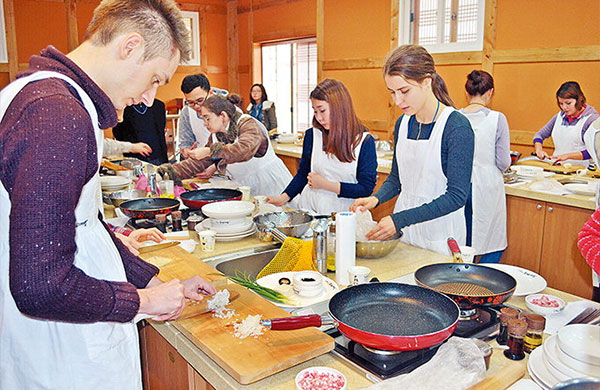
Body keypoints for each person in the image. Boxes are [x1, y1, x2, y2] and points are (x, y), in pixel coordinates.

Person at [0, 1, 216, 389]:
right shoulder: (57, 114)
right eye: (154, 78)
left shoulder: (49, 97)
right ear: (129, 47)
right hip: (64, 358)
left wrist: (148, 281)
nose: (149, 98)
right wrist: (144, 303)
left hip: (66, 345)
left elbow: (85, 224)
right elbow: (40, 287)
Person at [350, 45, 474, 255]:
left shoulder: (456, 127)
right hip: (406, 232)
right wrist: (376, 199)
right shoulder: (403, 124)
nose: (398, 101)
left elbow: (456, 196)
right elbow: (397, 179)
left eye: (404, 91)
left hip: (441, 235)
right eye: (392, 93)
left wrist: (399, 220)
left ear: (427, 82)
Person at [266, 79, 377, 214]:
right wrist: (283, 198)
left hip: (344, 213)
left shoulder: (363, 141)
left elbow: (365, 188)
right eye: (314, 111)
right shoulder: (313, 135)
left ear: (339, 108)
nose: (318, 117)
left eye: (322, 110)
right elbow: (303, 173)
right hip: (310, 207)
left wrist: (327, 185)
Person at [158, 95, 292, 196]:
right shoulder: (215, 136)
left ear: (222, 115)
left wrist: (210, 151)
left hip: (271, 183)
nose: (205, 123)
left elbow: (243, 150)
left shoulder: (247, 123)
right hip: (246, 187)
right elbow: (197, 163)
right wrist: (166, 172)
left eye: (207, 118)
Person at [459, 70, 511, 263]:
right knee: (493, 241)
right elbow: (504, 161)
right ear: (490, 92)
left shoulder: (454, 117)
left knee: (462, 239)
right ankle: (481, 284)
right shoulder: (498, 119)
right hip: (487, 185)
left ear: (467, 93)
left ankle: (459, 283)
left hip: (459, 186)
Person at [533, 81, 599, 166]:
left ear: (579, 99)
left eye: (568, 103)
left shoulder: (591, 119)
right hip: (558, 167)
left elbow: (594, 151)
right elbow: (539, 135)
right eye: (561, 103)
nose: (564, 107)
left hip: (581, 171)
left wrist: (567, 156)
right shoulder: (559, 116)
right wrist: (539, 150)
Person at [112, 99, 169, 164]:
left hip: (158, 156)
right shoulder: (123, 107)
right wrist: (132, 147)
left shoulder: (158, 105)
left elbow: (161, 130)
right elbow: (117, 133)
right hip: (133, 159)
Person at [178, 74, 219, 159]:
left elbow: (238, 148)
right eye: (190, 102)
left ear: (210, 93)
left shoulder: (229, 109)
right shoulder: (187, 112)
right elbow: (186, 142)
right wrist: (187, 150)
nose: (196, 106)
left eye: (200, 100)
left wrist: (210, 152)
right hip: (202, 163)